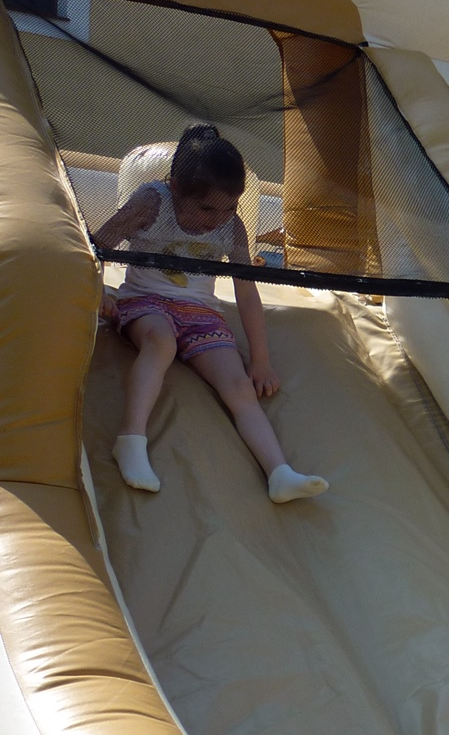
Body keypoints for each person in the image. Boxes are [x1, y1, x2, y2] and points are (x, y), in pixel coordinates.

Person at [96, 124, 328, 504]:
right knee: (161, 343)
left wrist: (261, 359)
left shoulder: (230, 228)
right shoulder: (152, 203)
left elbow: (246, 290)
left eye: (230, 207)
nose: (218, 218)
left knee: (238, 384)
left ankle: (279, 473)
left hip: (200, 312)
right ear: (175, 188)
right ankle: (131, 440)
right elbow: (98, 246)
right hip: (146, 300)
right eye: (206, 208)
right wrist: (97, 293)